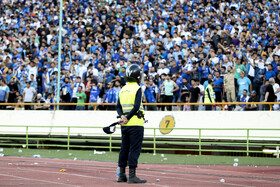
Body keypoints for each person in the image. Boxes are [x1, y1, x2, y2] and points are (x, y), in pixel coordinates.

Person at [116, 64, 146, 184]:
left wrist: (122, 117)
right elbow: (137, 106)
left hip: (125, 125)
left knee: (124, 148)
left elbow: (118, 107)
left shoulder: (123, 89)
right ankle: (132, 176)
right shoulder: (138, 89)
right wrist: (127, 118)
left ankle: (121, 175)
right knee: (134, 149)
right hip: (136, 124)